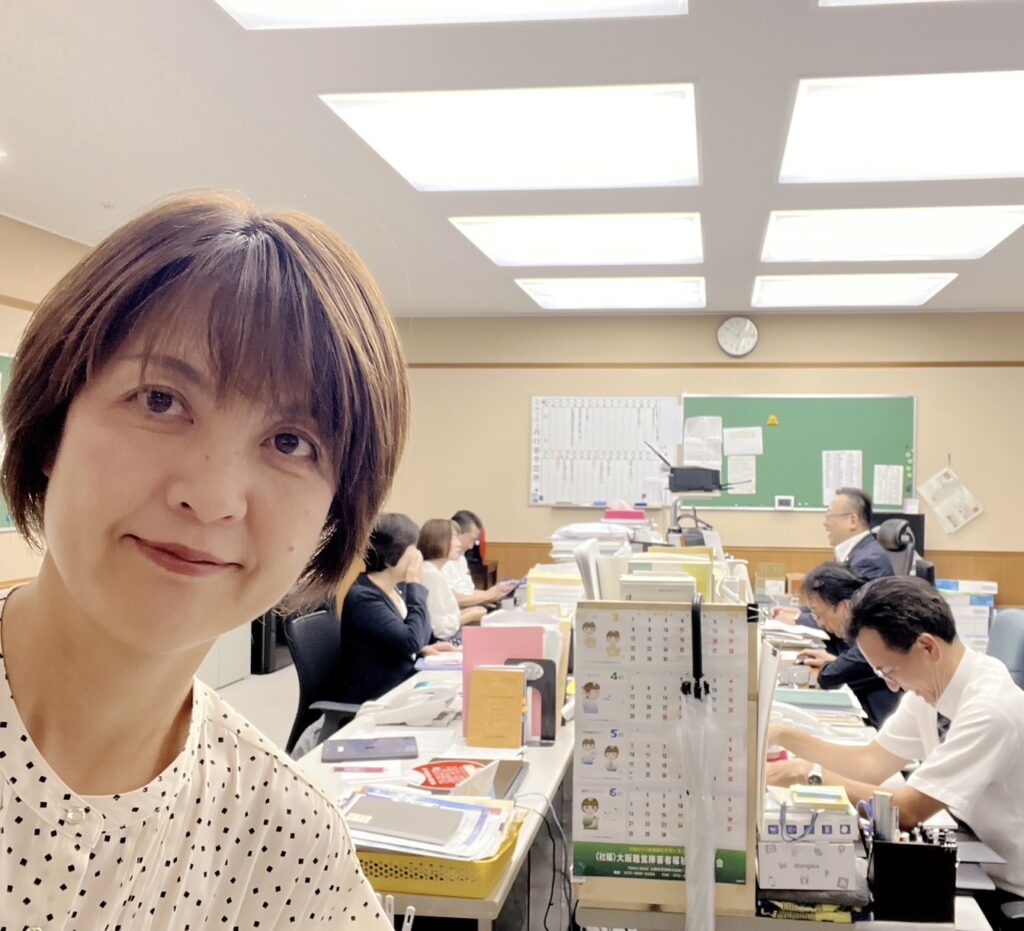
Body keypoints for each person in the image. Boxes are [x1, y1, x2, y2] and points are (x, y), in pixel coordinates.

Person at [0, 192, 403, 927]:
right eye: (160, 400)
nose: (213, 497)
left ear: (331, 518)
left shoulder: (292, 844)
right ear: (53, 425)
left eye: (290, 443)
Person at [767, 577, 1024, 928]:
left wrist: (808, 774)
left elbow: (907, 810)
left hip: (1008, 892)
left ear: (928, 647)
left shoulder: (990, 709)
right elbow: (870, 763)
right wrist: (784, 734)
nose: (891, 685)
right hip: (977, 862)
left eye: (889, 670)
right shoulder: (935, 685)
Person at [340, 513, 443, 703]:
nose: (418, 557)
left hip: (400, 684)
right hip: (376, 698)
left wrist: (424, 649)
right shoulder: (363, 598)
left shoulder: (396, 588)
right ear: (389, 559)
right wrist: (415, 584)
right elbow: (411, 641)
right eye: (412, 550)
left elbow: (418, 636)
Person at [792, 562, 902, 728]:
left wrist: (833, 663)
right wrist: (834, 661)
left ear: (845, 606)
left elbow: (830, 676)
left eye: (819, 615)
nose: (820, 624)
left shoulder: (876, 634)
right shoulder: (868, 623)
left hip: (882, 728)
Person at [772, 487, 893, 626]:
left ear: (852, 521)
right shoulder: (855, 553)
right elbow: (833, 604)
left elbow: (847, 617)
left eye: (829, 515)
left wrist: (797, 620)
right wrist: (800, 612)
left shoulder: (869, 561)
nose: (825, 523)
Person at [417, 517, 485, 641]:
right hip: (444, 641)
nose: (459, 543)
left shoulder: (433, 570)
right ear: (437, 540)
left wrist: (469, 611)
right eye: (454, 538)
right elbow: (440, 629)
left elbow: (446, 616)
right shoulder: (431, 574)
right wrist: (471, 616)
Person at [443, 509, 517, 608]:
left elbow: (468, 592)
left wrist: (496, 591)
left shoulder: (461, 557)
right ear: (457, 534)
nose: (471, 546)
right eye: (472, 540)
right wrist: (489, 595)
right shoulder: (442, 561)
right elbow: (451, 598)